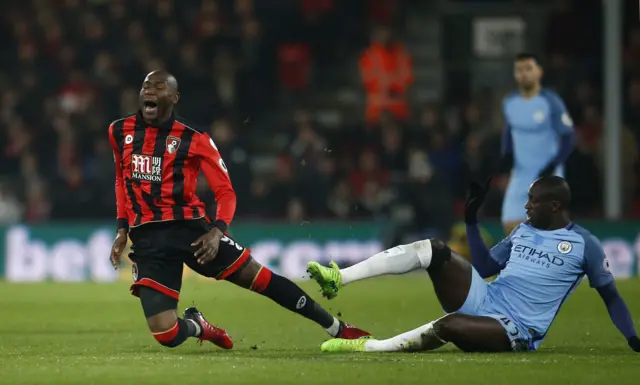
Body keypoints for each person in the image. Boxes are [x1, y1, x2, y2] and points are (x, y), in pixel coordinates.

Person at [108, 70, 370, 350]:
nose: (149, 91)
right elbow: (121, 181)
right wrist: (122, 228)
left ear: (174, 97)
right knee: (166, 335)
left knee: (261, 279)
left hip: (191, 233)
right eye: (146, 86)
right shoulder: (119, 131)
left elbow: (225, 192)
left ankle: (337, 327)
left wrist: (217, 232)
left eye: (158, 87)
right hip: (148, 241)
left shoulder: (195, 138)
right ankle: (198, 325)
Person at [307, 176, 640, 353]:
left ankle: (368, 347)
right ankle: (340, 277)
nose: (525, 207)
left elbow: (610, 296)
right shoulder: (523, 232)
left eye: (532, 201)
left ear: (554, 205)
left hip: (516, 327)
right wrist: (470, 220)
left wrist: (632, 337)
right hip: (486, 297)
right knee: (434, 249)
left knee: (450, 326)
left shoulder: (586, 245)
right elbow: (485, 267)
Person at [500, 53, 575, 235]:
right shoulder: (510, 102)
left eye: (528, 69)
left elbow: (569, 137)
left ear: (539, 72)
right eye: (519, 70)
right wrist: (506, 161)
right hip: (520, 174)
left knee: (547, 229)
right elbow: (509, 132)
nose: (524, 74)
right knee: (510, 225)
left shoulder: (551, 101)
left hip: (548, 176)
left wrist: (553, 165)